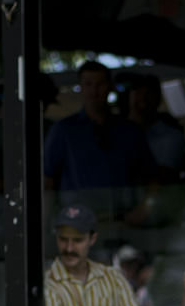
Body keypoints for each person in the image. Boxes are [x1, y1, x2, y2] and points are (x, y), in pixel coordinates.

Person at [42, 61, 152, 212]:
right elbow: (48, 181)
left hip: (123, 220)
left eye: (100, 84)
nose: (94, 91)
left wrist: (143, 210)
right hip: (78, 224)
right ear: (80, 87)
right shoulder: (64, 130)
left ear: (109, 87)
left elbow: (148, 177)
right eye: (88, 84)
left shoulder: (129, 131)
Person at [115, 68, 185, 180]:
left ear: (157, 99)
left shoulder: (171, 137)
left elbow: (162, 177)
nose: (142, 99)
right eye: (137, 93)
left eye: (148, 94)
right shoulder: (118, 133)